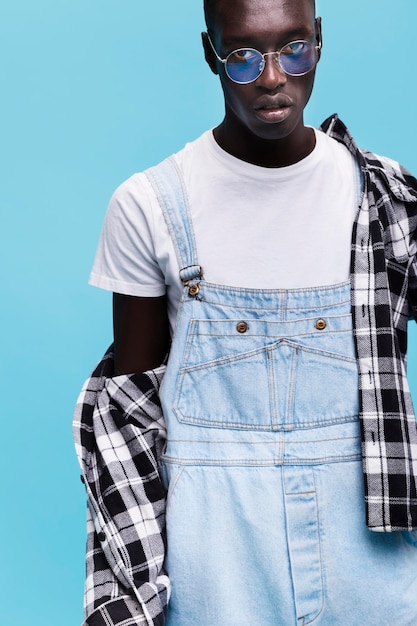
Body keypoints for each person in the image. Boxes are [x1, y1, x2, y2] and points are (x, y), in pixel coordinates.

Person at [73, 0, 417, 624]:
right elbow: (131, 417)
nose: (271, 77)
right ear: (211, 52)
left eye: (294, 48)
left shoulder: (383, 201)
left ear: (319, 41)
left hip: (369, 539)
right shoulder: (150, 204)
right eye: (242, 55)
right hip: (215, 545)